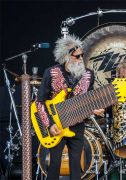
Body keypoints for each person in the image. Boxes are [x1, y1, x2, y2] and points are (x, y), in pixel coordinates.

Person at [35, 35, 104, 180]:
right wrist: (50, 124)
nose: (81, 59)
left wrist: (93, 109)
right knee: (54, 166)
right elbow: (39, 102)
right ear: (66, 56)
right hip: (56, 126)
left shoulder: (88, 75)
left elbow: (88, 100)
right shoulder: (51, 73)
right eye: (77, 56)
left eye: (82, 56)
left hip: (77, 124)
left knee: (76, 165)